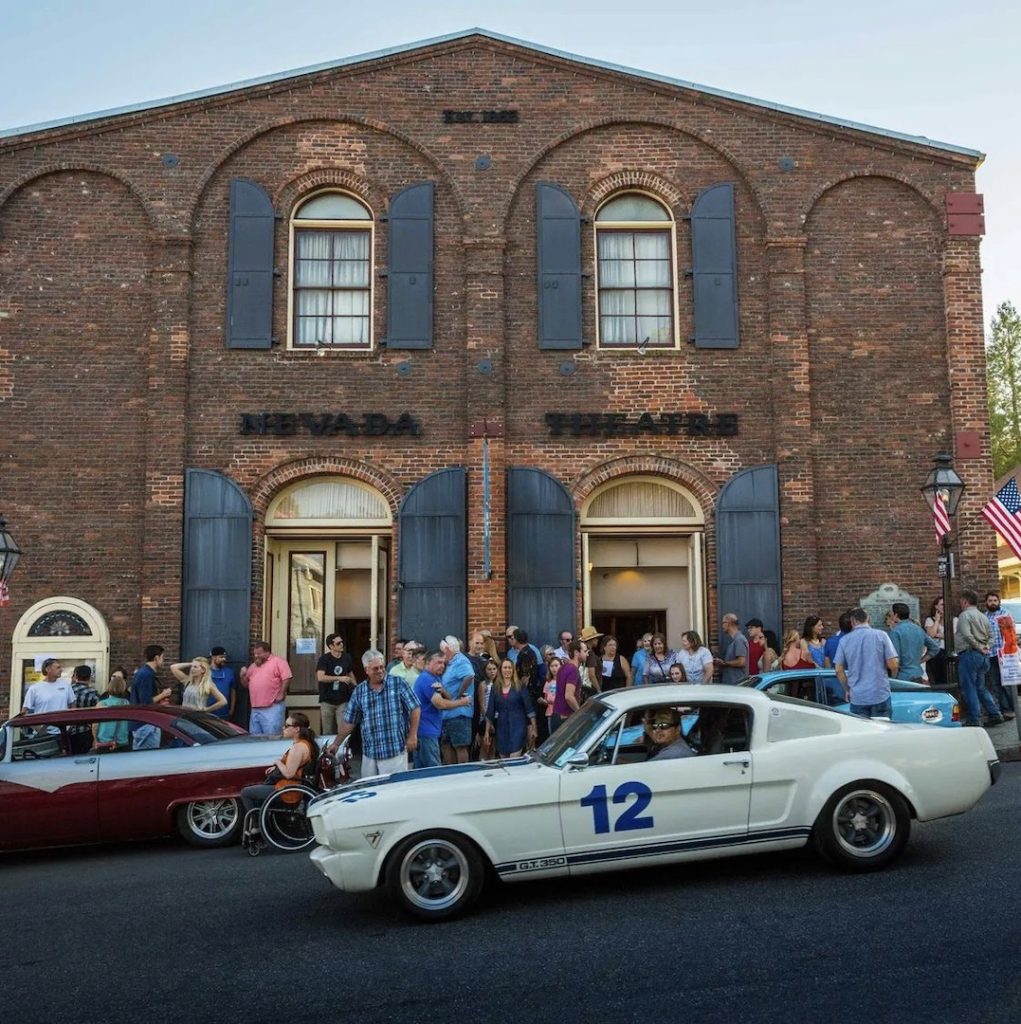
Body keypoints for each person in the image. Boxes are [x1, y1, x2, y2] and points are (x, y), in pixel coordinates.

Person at [326, 649, 420, 777]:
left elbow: (415, 708)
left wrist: (412, 735)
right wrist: (336, 743)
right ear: (366, 670)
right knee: (370, 791)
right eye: (375, 668)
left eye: (382, 667)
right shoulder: (360, 691)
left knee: (393, 792)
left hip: (394, 750)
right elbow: (349, 721)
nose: (380, 671)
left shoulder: (398, 683)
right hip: (370, 753)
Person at [240, 712, 318, 833]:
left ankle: (258, 826)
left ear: (296, 729)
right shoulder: (305, 744)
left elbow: (289, 774)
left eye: (287, 725)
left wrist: (278, 762)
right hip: (289, 786)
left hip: (287, 790)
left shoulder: (298, 748)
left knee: (246, 793)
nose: (283, 728)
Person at [412, 650, 473, 769]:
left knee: (421, 771)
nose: (442, 666)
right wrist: (462, 702)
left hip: (429, 731)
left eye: (444, 663)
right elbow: (440, 704)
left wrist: (443, 690)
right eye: (438, 662)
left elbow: (448, 697)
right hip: (426, 732)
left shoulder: (436, 678)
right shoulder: (427, 679)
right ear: (428, 663)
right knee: (434, 771)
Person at [834, 607, 899, 718]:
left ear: (853, 621)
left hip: (858, 696)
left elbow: (838, 670)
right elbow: (893, 663)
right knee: (884, 730)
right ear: (868, 618)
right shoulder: (881, 635)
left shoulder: (844, 640)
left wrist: (847, 689)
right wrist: (892, 678)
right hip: (880, 693)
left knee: (862, 733)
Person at [955, 591, 1005, 727]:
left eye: (961, 601)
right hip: (983, 657)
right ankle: (995, 713)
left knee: (969, 687)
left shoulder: (964, 615)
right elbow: (991, 635)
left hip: (969, 654)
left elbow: (967, 635)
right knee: (980, 687)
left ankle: (974, 718)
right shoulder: (983, 616)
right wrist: (986, 647)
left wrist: (978, 647)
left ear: (965, 601)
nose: (960, 603)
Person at [485, 659, 537, 757]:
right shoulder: (495, 688)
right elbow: (490, 710)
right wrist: (486, 732)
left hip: (518, 725)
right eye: (505, 667)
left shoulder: (520, 686)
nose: (507, 670)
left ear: (513, 670)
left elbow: (529, 708)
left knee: (514, 755)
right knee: (503, 757)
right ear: (501, 670)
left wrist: (534, 728)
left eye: (510, 667)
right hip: (501, 726)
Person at [240, 641, 292, 736]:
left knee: (272, 737)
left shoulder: (279, 662)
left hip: (272, 707)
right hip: (255, 708)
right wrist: (243, 677)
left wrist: (281, 693)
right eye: (254, 653)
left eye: (259, 654)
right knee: (255, 738)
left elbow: (287, 677)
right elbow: (246, 685)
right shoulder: (253, 666)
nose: (256, 656)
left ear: (267, 652)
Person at [439, 635, 476, 764]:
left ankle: (462, 774)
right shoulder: (450, 662)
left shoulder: (461, 660)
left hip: (459, 712)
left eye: (443, 651)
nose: (443, 654)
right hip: (447, 712)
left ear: (448, 649)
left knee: (460, 746)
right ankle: (452, 773)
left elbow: (469, 676)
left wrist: (459, 695)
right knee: (446, 745)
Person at [315, 633, 356, 736]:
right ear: (331, 646)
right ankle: (328, 751)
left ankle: (342, 751)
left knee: (343, 731)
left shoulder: (347, 658)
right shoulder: (324, 659)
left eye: (342, 642)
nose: (341, 644)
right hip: (327, 700)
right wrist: (339, 678)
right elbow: (320, 677)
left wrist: (356, 688)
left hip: (343, 700)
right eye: (338, 643)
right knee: (327, 731)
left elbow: (350, 673)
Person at [984, 591, 1017, 718]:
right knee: (995, 683)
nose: (992, 603)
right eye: (990, 601)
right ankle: (1005, 710)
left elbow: (1010, 635)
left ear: (999, 602)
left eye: (995, 601)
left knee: (1007, 684)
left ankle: (1013, 709)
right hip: (990, 655)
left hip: (1004, 655)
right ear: (986, 603)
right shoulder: (984, 616)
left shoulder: (1004, 614)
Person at [888, 603, 939, 684]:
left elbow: (895, 659)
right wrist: (919, 661)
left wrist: (893, 678)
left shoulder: (895, 632)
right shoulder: (918, 629)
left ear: (896, 615)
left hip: (902, 677)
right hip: (917, 674)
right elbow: (935, 648)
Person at [551, 641, 584, 731]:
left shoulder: (563, 667)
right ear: (577, 653)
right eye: (584, 651)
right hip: (565, 718)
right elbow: (569, 696)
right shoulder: (573, 669)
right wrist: (579, 712)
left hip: (556, 715)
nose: (587, 654)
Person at [67, 665, 101, 754]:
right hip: (85, 731)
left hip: (67, 731)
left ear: (75, 676)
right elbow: (100, 713)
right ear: (90, 677)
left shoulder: (67, 690)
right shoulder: (93, 693)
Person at [93, 673, 130, 751]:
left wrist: (95, 740)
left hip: (105, 743)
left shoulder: (102, 704)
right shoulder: (126, 703)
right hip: (122, 743)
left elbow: (95, 726)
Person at [714, 614, 749, 684]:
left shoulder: (739, 640)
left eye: (723, 623)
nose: (722, 626)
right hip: (733, 683)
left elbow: (741, 662)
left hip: (738, 684)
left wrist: (724, 663)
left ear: (728, 623)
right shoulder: (735, 640)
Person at [477, 658, 500, 759]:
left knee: (493, 748)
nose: (492, 672)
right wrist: (488, 722)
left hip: (497, 718)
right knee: (485, 746)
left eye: (494, 669)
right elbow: (482, 705)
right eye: (489, 669)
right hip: (485, 719)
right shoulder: (483, 685)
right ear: (485, 671)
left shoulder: (498, 684)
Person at [923, 597, 947, 686]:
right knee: (939, 680)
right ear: (936, 606)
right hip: (937, 654)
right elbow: (931, 634)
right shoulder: (930, 620)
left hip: (949, 652)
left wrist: (939, 635)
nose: (944, 606)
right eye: (942, 604)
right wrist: (937, 620)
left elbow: (954, 636)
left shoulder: (954, 619)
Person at [209, 647, 237, 719]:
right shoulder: (205, 671)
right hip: (207, 713)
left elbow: (233, 691)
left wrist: (232, 709)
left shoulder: (229, 672)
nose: (224, 659)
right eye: (221, 657)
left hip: (224, 713)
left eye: (225, 657)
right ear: (213, 657)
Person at [540, 656, 561, 733]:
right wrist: (543, 701)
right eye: (552, 666)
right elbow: (546, 700)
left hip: (561, 714)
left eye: (556, 665)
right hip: (550, 713)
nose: (554, 668)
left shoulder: (564, 681)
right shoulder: (548, 682)